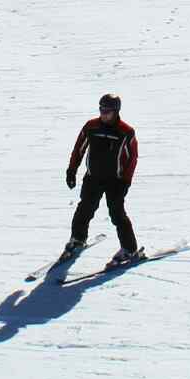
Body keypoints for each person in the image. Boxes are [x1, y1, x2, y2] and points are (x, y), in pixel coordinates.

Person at [63, 93, 141, 267]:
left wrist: (126, 181)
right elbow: (79, 148)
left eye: (107, 111)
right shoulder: (91, 126)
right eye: (101, 110)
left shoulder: (126, 132)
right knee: (84, 209)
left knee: (117, 213)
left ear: (116, 111)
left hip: (115, 181)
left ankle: (129, 249)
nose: (103, 114)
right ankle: (78, 239)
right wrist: (72, 170)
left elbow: (132, 158)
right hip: (93, 178)